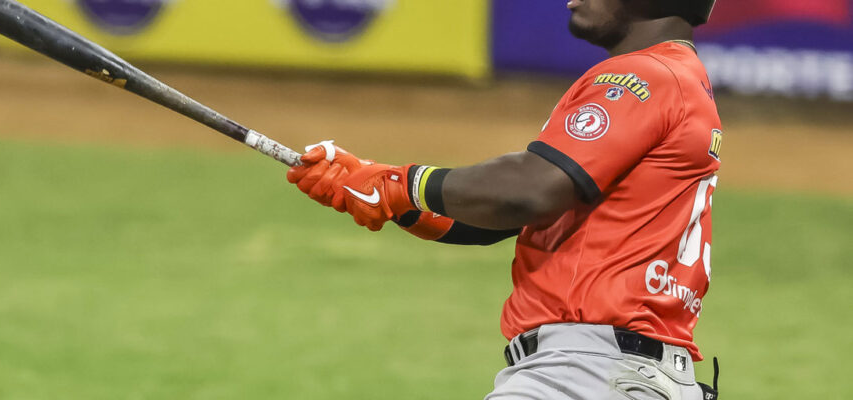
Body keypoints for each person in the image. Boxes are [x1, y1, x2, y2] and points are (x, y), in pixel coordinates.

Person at [288, 0, 723, 398]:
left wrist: (399, 183)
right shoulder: (680, 77)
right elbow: (499, 218)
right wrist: (390, 199)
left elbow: (529, 191)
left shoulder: (645, 76)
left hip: (587, 373)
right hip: (621, 371)